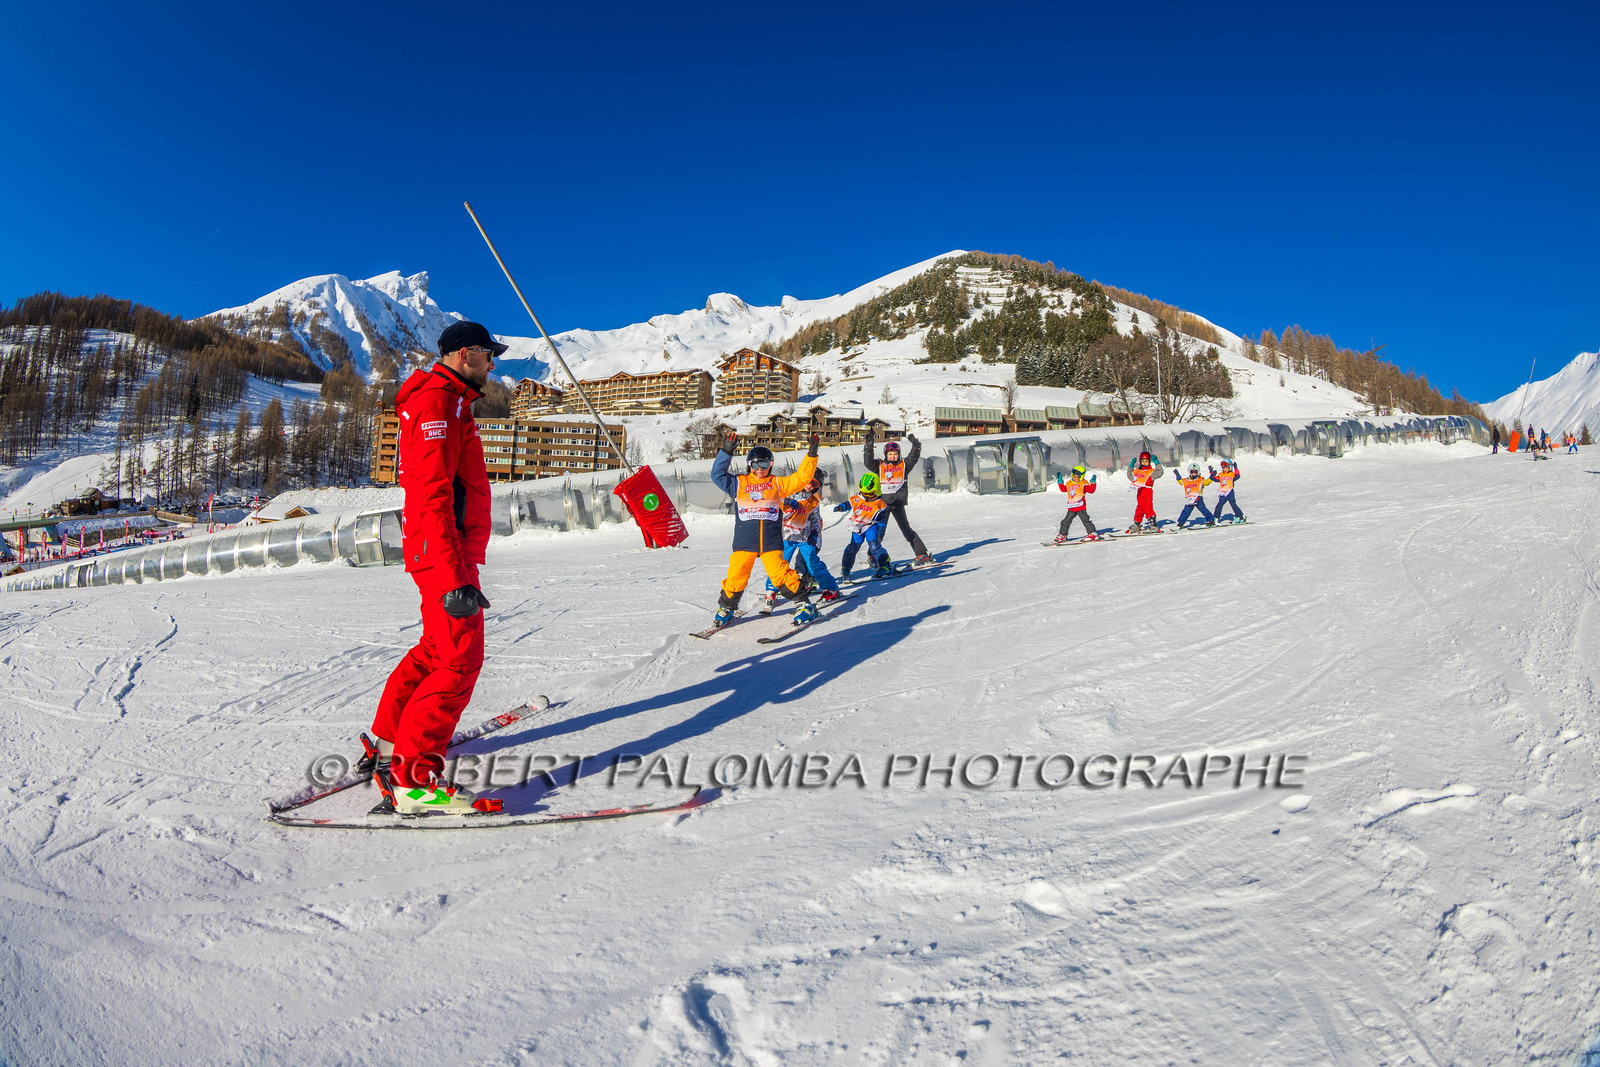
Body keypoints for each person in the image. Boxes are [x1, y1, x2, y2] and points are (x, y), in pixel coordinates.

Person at [365, 321, 506, 816]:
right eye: (491, 355)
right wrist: (453, 577)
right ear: (466, 354)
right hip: (444, 554)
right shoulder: (437, 402)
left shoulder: (453, 400)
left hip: (446, 550)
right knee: (458, 660)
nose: (494, 364)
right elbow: (430, 493)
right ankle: (415, 781)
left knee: (434, 651)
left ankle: (388, 749)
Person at [710, 430, 820, 629]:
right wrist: (726, 453)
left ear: (771, 465)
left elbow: (802, 478)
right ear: (749, 465)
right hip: (745, 541)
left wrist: (811, 454)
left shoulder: (778, 484)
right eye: (755, 464)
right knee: (736, 574)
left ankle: (804, 604)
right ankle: (726, 608)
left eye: (763, 464)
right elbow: (717, 475)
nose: (759, 469)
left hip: (770, 542)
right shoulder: (739, 483)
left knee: (780, 575)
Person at [763, 476, 843, 609]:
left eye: (814, 485)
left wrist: (814, 533)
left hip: (804, 538)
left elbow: (816, 520)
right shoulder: (786, 494)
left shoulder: (813, 502)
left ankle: (831, 589)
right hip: (786, 537)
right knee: (778, 565)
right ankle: (772, 589)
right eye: (809, 482)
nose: (810, 486)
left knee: (813, 564)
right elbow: (771, 501)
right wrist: (787, 501)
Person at [862, 431, 935, 565]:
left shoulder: (904, 465)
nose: (893, 456)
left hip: (898, 502)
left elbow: (913, 457)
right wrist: (869, 446)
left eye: (895, 454)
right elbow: (868, 462)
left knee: (906, 529)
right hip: (883, 504)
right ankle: (872, 555)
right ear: (886, 455)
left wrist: (916, 445)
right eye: (890, 454)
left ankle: (922, 554)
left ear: (899, 455)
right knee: (879, 531)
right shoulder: (879, 466)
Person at [835, 472, 893, 579]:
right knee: (852, 547)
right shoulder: (858, 498)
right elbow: (849, 503)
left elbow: (882, 520)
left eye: (870, 494)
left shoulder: (880, 503)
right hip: (858, 527)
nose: (867, 496)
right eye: (865, 493)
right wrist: (840, 507)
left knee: (874, 546)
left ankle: (885, 565)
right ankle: (846, 568)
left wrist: (880, 533)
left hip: (871, 526)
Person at [1052, 465, 1101, 543]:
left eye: (1077, 477)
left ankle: (1092, 534)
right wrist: (1060, 481)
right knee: (1065, 521)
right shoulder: (1069, 483)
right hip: (1071, 507)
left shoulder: (1083, 483)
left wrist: (1093, 482)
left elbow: (1091, 490)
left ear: (1081, 477)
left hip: (1080, 506)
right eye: (1074, 476)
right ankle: (1062, 535)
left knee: (1085, 520)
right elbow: (1064, 489)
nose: (1075, 478)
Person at [1125, 450, 1164, 533]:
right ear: (1140, 461)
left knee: (1148, 508)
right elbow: (1130, 476)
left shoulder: (1151, 472)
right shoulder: (1137, 471)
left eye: (1146, 461)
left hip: (1147, 491)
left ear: (1149, 461)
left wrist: (1157, 463)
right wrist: (1131, 466)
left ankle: (1153, 525)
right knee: (1139, 508)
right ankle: (1137, 524)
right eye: (1143, 461)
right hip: (1139, 492)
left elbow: (1160, 472)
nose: (1145, 463)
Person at [1174, 463, 1215, 528]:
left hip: (1198, 499)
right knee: (1186, 511)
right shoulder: (1187, 480)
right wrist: (1177, 475)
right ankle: (1180, 523)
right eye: (1192, 472)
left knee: (1203, 510)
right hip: (1190, 499)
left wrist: (1212, 476)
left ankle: (1210, 520)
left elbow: (1207, 482)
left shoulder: (1200, 480)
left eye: (1195, 472)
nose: (1194, 474)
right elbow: (1180, 481)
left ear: (1198, 472)